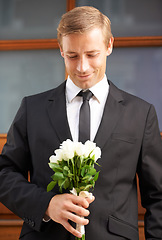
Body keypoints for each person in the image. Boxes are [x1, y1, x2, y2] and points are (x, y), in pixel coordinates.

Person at [0, 6, 162, 240]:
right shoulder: (31, 109)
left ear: (109, 46)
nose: (82, 67)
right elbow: (4, 173)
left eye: (91, 54)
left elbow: (158, 196)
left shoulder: (141, 113)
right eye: (72, 56)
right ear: (61, 50)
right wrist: (46, 204)